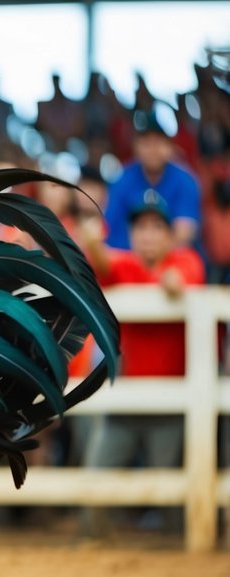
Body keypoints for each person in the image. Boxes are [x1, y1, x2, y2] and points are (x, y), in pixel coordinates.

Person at [79, 196, 206, 539]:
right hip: (125, 403)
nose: (147, 235)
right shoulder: (129, 266)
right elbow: (102, 264)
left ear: (169, 234)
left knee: (174, 500)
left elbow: (183, 279)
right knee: (96, 483)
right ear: (132, 233)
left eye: (156, 227)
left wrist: (173, 281)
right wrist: (91, 240)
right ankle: (93, 542)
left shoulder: (186, 259)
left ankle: (182, 554)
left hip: (170, 405)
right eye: (140, 227)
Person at [103, 110, 202, 252]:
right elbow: (108, 230)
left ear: (170, 146)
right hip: (129, 261)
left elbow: (184, 235)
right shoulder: (122, 179)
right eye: (146, 143)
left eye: (158, 142)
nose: (152, 149)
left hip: (171, 261)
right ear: (135, 146)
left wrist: (150, 260)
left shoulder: (185, 180)